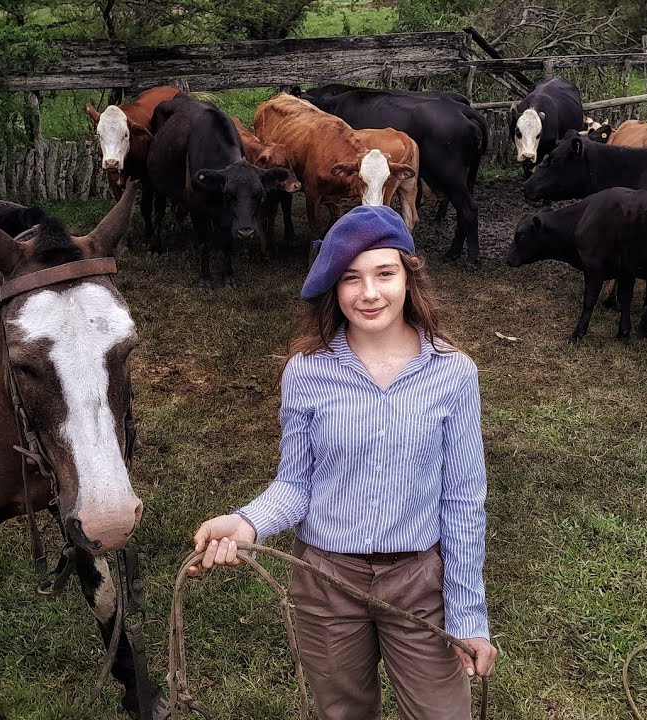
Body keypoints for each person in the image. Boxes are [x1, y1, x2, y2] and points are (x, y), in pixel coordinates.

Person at [188, 205, 496, 719]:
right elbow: (295, 485)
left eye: (384, 273)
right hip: (327, 582)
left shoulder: (453, 373)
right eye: (351, 278)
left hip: (419, 584)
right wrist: (246, 523)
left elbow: (463, 502)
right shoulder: (306, 372)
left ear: (409, 276)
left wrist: (468, 616)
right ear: (333, 287)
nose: (369, 293)